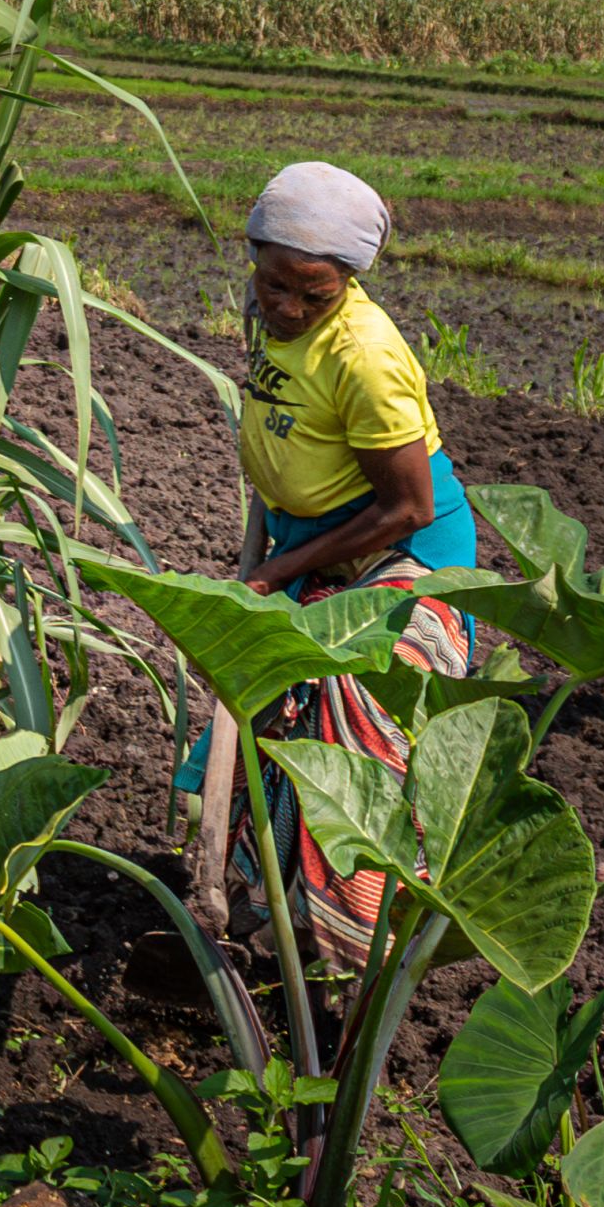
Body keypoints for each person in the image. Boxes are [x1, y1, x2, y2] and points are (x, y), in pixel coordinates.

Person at [189, 159, 479, 957]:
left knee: (355, 709)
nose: (286, 307)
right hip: (311, 539)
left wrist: (281, 570)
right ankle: (253, 902)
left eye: (312, 296)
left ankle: (354, 941)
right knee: (268, 697)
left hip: (407, 554)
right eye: (273, 283)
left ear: (345, 281)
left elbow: (408, 505)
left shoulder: (367, 355)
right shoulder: (267, 310)